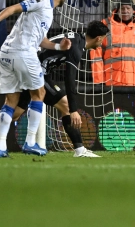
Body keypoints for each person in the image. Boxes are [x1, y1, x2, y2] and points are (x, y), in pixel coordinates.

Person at [0, 0, 71, 158]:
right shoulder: (42, 0)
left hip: (6, 54)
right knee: (40, 94)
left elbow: (40, 39)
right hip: (23, 53)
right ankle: (29, 142)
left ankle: (1, 147)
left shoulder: (47, 10)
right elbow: (14, 8)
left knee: (11, 101)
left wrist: (59, 47)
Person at [9, 20, 109, 158]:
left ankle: (80, 150)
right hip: (35, 70)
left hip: (32, 69)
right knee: (66, 106)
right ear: (99, 38)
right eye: (103, 39)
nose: (102, 43)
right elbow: (69, 79)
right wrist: (74, 111)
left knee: (14, 113)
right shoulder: (76, 48)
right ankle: (79, 150)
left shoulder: (76, 39)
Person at [90, 0, 135, 86]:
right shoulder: (105, 26)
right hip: (112, 83)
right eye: (122, 8)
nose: (125, 11)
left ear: (133, 10)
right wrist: (99, 81)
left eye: (128, 8)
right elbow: (96, 55)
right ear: (117, 10)